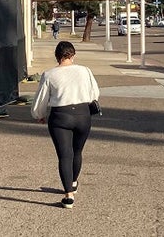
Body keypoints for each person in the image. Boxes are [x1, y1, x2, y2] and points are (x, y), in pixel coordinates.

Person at [30, 41, 100, 208]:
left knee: (64, 155)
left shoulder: (49, 74)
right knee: (77, 151)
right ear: (73, 55)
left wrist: (38, 114)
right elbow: (95, 93)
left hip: (60, 116)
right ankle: (74, 181)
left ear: (57, 56)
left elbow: (42, 98)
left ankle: (68, 195)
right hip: (83, 115)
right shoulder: (85, 71)